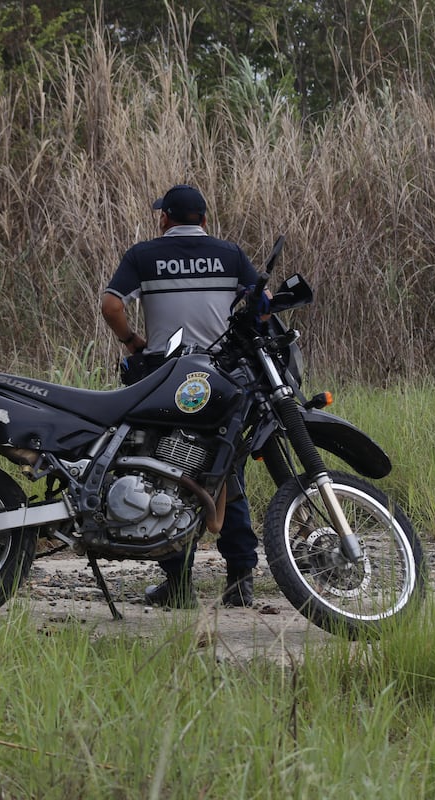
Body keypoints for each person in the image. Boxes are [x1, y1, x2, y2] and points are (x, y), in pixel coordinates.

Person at [100, 183, 260, 609]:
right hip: (223, 379)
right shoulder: (229, 254)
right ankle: (240, 579)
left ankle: (178, 583)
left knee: (167, 475)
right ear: (204, 220)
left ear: (164, 219)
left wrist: (133, 341)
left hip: (168, 380)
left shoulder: (144, 255)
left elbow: (111, 305)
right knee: (226, 476)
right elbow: (260, 306)